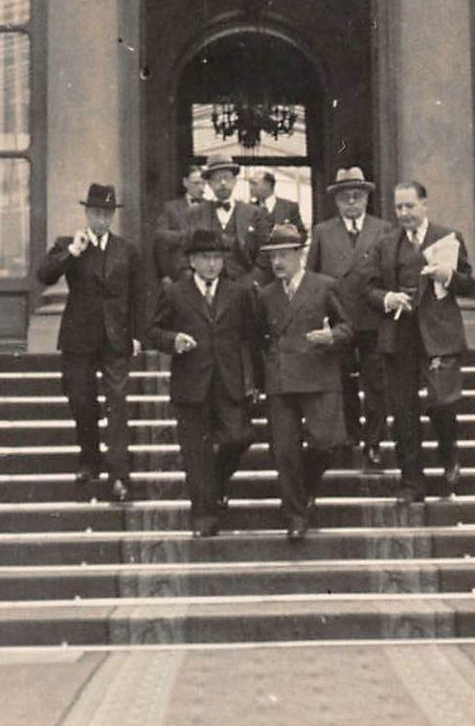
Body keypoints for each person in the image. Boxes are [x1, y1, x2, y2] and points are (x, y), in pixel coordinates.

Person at [363, 180, 475, 505]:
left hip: (438, 336)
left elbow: (469, 284)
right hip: (399, 338)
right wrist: (388, 298)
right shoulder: (385, 244)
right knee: (403, 412)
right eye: (399, 207)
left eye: (410, 206)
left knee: (442, 402)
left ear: (424, 205)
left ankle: (448, 451)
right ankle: (412, 483)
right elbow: (367, 289)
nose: (404, 213)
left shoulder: (447, 238)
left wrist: (448, 277)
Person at [36, 183, 142, 503]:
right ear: (86, 213)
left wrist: (136, 334)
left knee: (118, 402)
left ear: (112, 216)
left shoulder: (127, 250)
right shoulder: (69, 244)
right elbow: (44, 276)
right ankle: (90, 458)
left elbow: (137, 296)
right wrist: (73, 252)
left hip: (115, 338)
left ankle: (120, 473)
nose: (101, 219)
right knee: (81, 400)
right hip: (79, 338)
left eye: (106, 214)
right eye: (95, 213)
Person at [148, 228, 256, 538]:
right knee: (195, 453)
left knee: (239, 437)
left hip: (229, 382)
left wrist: (252, 381)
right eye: (205, 258)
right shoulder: (174, 293)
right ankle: (204, 515)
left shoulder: (238, 293)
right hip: (190, 384)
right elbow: (153, 331)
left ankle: (219, 483)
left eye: (217, 258)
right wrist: (173, 340)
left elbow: (250, 338)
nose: (212, 265)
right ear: (192, 261)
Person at [254, 223, 353, 540]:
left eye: (284, 255)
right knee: (284, 451)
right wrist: (261, 379)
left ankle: (306, 486)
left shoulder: (324, 286)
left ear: (300, 255)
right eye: (273, 258)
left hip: (319, 375)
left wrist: (331, 336)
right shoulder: (266, 295)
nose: (278, 263)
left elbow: (348, 329)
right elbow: (257, 338)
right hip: (281, 380)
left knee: (327, 442)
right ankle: (295, 515)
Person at [307, 166, 391, 469]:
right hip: (340, 318)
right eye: (345, 198)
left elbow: (389, 273)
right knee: (341, 380)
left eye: (357, 196)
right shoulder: (322, 231)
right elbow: (312, 277)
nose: (351, 203)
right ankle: (350, 434)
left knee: (375, 383)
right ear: (337, 201)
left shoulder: (383, 229)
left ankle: (374, 440)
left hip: (373, 317)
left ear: (367, 198)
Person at [182, 151, 272, 286]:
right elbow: (186, 251)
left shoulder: (254, 213)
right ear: (209, 183)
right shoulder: (195, 213)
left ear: (235, 181)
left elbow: (265, 253)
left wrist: (252, 282)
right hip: (209, 289)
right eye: (217, 179)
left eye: (227, 177)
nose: (223, 183)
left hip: (246, 288)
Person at [151, 163, 208, 288]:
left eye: (203, 183)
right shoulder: (171, 208)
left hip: (206, 273)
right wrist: (164, 275)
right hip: (179, 273)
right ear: (185, 182)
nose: (201, 188)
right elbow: (160, 237)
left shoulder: (210, 209)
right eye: (196, 183)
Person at [250, 169, 306, 240]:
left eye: (254, 184)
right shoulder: (248, 209)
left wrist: (290, 234)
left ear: (267, 184)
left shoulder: (290, 207)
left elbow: (303, 236)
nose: (251, 187)